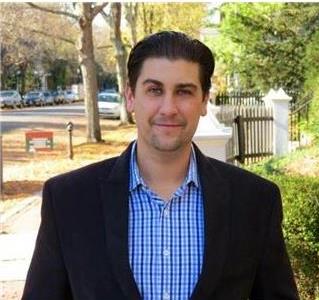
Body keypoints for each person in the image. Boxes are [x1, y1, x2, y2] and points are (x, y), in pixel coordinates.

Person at [22, 31, 299, 300]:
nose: (169, 108)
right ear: (130, 96)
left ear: (204, 100)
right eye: (154, 90)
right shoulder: (69, 200)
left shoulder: (254, 201)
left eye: (184, 91)